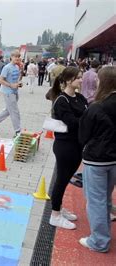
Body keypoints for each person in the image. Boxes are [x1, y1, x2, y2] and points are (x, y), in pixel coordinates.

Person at [78, 66, 116, 252]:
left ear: (103, 82)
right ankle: (104, 233)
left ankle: (99, 241)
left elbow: (83, 136)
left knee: (96, 201)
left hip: (97, 160)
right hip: (113, 159)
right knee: (105, 198)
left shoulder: (96, 107)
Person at [46, 66, 87, 229]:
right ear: (69, 80)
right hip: (65, 146)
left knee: (64, 180)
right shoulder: (62, 100)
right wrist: (88, 122)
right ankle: (55, 215)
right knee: (61, 180)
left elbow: (86, 116)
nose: (81, 80)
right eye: (79, 77)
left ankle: (59, 208)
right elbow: (73, 122)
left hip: (77, 145)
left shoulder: (80, 97)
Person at [0, 50, 23, 137]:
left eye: (18, 57)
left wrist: (18, 83)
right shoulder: (7, 67)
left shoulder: (17, 67)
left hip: (15, 92)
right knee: (15, 112)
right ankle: (18, 131)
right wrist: (11, 85)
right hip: (8, 93)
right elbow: (0, 80)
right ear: (11, 57)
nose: (17, 58)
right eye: (15, 57)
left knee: (8, 110)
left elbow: (16, 79)